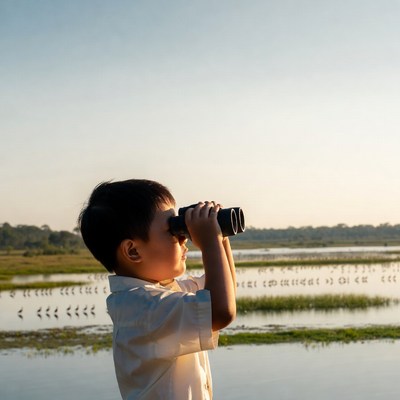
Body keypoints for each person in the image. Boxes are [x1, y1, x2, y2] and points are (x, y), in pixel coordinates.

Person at [78, 179, 236, 399]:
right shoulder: (144, 308)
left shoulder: (164, 293)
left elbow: (226, 290)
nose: (183, 237)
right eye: (173, 230)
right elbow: (220, 311)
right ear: (133, 251)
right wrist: (210, 241)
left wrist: (219, 234)